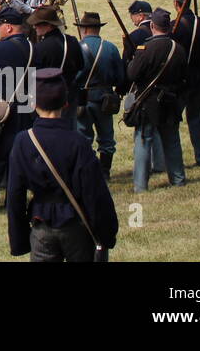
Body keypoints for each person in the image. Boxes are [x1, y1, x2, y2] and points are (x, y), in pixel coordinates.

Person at [6, 69, 119, 262]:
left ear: (33, 104)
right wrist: (106, 233)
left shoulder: (23, 141)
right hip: (76, 226)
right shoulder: (78, 142)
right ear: (66, 104)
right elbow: (95, 193)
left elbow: (15, 195)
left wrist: (19, 239)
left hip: (41, 226)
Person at [0, 7, 37, 211]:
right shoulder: (32, 47)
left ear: (9, 27)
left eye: (0, 26)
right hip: (26, 108)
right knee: (19, 158)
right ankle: (15, 201)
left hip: (2, 111)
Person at [128, 8, 188, 192]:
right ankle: (178, 179)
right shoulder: (178, 48)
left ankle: (140, 185)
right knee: (172, 141)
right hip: (171, 99)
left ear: (152, 25)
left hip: (149, 101)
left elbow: (132, 74)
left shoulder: (146, 48)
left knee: (144, 141)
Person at [75, 12, 124, 177]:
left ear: (86, 29)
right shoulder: (110, 47)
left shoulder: (78, 47)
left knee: (83, 139)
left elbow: (73, 77)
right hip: (105, 99)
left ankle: (88, 173)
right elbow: (120, 77)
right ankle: (104, 172)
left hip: (82, 99)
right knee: (107, 140)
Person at [172, 0, 200, 167]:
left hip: (180, 79)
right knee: (196, 119)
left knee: (172, 121)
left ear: (176, 3)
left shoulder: (175, 25)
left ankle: (175, 161)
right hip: (199, 76)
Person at [28, 6, 83, 125]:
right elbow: (80, 65)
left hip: (47, 98)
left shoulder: (40, 48)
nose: (34, 27)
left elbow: (33, 75)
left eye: (38, 24)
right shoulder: (72, 41)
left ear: (48, 25)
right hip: (69, 95)